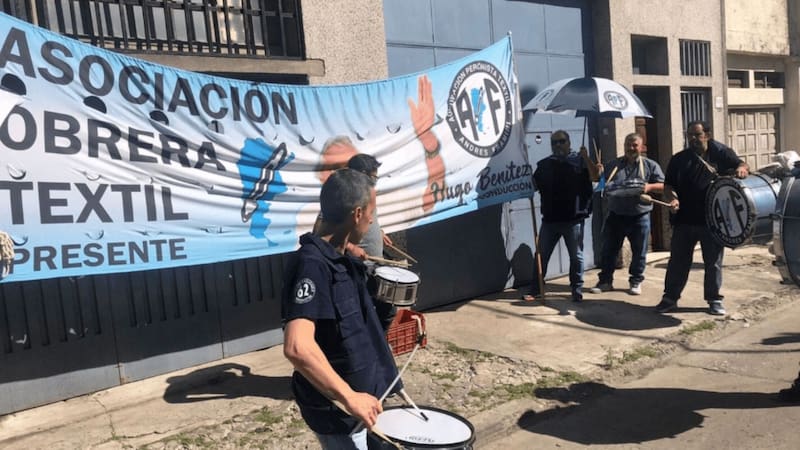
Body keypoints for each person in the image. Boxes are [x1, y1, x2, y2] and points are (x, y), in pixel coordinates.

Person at [282, 168, 401, 449]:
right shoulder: (311, 265)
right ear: (357, 214)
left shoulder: (339, 256)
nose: (373, 219)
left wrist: (346, 247)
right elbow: (297, 347)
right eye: (371, 211)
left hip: (368, 404)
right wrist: (350, 397)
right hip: (340, 412)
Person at [655, 121, 749, 315]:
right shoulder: (679, 159)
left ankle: (714, 299)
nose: (692, 139)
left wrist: (742, 169)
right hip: (684, 219)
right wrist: (673, 199)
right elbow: (668, 186)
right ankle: (670, 298)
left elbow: (741, 164)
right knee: (678, 261)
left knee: (712, 262)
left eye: (697, 135)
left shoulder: (720, 153)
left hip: (713, 221)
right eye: (690, 135)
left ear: (707, 135)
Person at [524, 130, 601, 302]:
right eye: (554, 143)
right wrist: (525, 174)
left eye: (561, 141)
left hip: (573, 220)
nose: (558, 145)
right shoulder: (544, 165)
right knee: (541, 255)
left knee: (576, 257)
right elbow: (533, 186)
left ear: (569, 142)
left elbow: (595, 176)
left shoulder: (580, 161)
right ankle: (536, 289)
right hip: (550, 220)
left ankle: (576, 289)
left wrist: (586, 157)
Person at [590, 133, 664, 295]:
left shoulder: (650, 165)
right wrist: (598, 173)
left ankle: (636, 281)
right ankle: (605, 282)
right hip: (616, 215)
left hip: (640, 216)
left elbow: (664, 186)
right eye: (628, 145)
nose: (630, 148)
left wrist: (649, 188)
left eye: (634, 145)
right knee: (609, 250)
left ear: (641, 146)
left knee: (639, 251)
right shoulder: (613, 165)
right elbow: (600, 185)